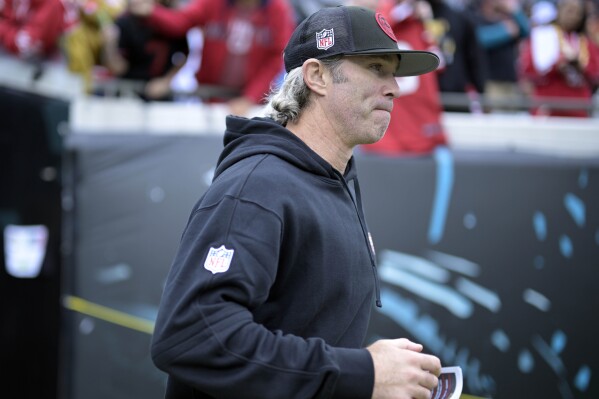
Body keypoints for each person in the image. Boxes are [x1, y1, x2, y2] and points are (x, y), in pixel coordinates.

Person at [150, 5, 442, 399]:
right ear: (317, 76)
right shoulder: (258, 187)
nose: (395, 87)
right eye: (376, 68)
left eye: (393, 72)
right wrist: (362, 373)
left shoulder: (327, 178)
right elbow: (190, 335)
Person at [128, 0, 296, 116]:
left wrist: (249, 98)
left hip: (249, 106)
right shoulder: (214, 3)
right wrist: (151, 12)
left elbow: (276, 57)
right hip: (210, 98)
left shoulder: (277, 10)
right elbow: (180, 21)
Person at [360, 0, 448, 155]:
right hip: (392, 124)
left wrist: (426, 21)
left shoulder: (416, 21)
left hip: (417, 118)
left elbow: (439, 62)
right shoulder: (385, 18)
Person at [518, 0, 599, 117]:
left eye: (578, 13)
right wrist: (556, 66)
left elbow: (595, 74)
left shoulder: (586, 43)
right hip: (548, 105)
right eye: (569, 10)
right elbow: (528, 70)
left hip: (577, 107)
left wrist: (580, 67)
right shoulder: (542, 37)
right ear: (558, 11)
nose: (573, 16)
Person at [101, 0, 189, 101]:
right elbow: (118, 68)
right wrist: (109, 45)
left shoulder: (172, 20)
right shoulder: (126, 21)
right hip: (129, 94)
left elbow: (184, 54)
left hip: (162, 97)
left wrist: (166, 81)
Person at [0, 0, 66, 60]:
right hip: (10, 53)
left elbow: (31, 39)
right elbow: (3, 20)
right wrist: (13, 37)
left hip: (47, 59)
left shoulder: (52, 4)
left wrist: (16, 37)